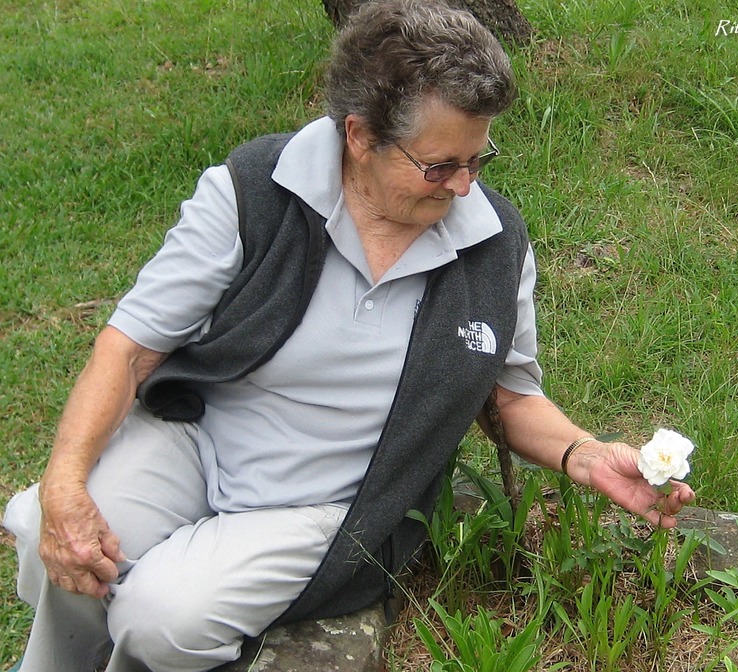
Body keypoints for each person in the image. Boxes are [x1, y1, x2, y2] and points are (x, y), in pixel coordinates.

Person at [3, 1, 695, 670]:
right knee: (48, 530)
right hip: (196, 440)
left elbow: (509, 398)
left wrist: (584, 454)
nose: (462, 187)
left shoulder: (493, 243)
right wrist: (65, 482)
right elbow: (128, 349)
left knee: (161, 621)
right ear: (359, 137)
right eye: (438, 165)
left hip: (331, 497)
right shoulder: (254, 191)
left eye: (477, 161)